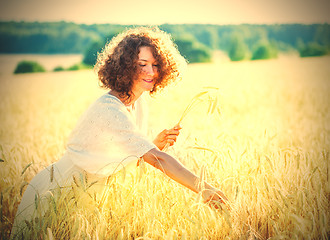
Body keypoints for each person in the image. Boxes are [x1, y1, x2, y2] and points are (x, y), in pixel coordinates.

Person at [11, 27, 228, 238]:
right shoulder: (109, 109)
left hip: (85, 202)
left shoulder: (139, 102)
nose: (151, 72)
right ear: (125, 67)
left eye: (155, 64)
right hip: (55, 195)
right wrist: (203, 188)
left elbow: (119, 160)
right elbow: (158, 160)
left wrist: (152, 144)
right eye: (142, 64)